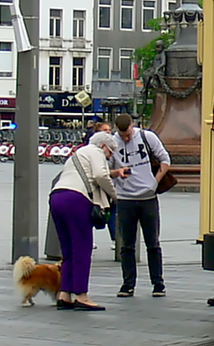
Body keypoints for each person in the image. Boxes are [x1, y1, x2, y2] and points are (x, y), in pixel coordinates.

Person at [50, 131, 125, 310]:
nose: (109, 157)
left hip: (57, 197)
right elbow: (100, 175)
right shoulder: (96, 151)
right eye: (110, 152)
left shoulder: (78, 153)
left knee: (68, 250)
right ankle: (81, 295)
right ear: (103, 146)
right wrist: (115, 196)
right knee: (82, 248)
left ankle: (65, 294)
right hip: (76, 200)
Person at [112, 113, 170, 298]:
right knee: (126, 245)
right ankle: (128, 284)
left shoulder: (147, 137)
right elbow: (106, 169)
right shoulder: (113, 142)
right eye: (122, 135)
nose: (126, 138)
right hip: (125, 198)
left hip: (148, 198)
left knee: (153, 243)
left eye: (128, 134)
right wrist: (118, 173)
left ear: (133, 126)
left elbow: (165, 160)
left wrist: (155, 182)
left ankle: (158, 283)